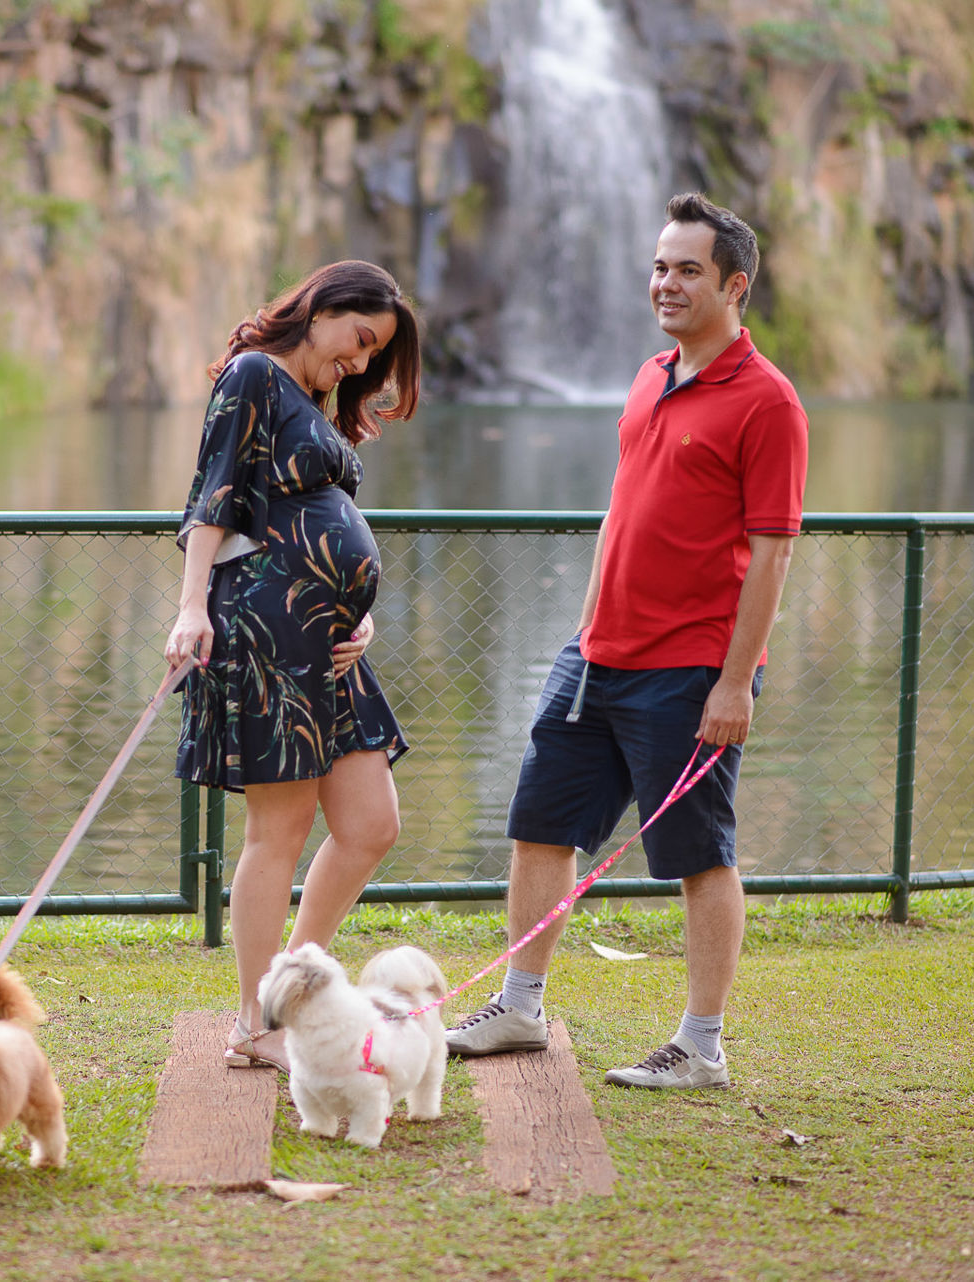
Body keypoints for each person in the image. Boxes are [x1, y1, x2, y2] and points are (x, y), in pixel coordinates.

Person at [446, 193, 808, 1089]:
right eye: (659, 266)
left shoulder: (769, 403)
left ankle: (701, 1047)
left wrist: (734, 684)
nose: (666, 283)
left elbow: (771, 558)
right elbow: (623, 507)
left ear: (735, 285)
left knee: (699, 857)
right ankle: (521, 1008)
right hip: (593, 660)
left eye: (688, 269)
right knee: (539, 829)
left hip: (689, 673)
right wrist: (585, 623)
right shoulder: (651, 376)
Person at [164, 261, 423, 1071]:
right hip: (268, 630)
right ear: (322, 307)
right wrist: (191, 605)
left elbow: (326, 521)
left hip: (332, 640)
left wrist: (363, 609)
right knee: (279, 829)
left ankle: (289, 993)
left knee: (372, 825)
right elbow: (214, 498)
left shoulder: (312, 403)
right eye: (361, 339)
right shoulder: (254, 375)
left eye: (374, 355)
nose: (360, 362)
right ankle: (256, 1022)